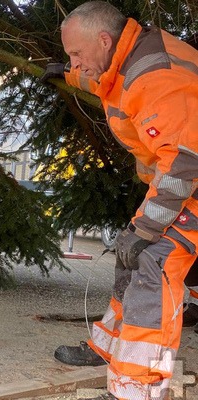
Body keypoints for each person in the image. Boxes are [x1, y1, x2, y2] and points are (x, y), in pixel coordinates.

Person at [41, 2, 198, 399]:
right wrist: (70, 74)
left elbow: (184, 160)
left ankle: (137, 387)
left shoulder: (156, 75)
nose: (73, 61)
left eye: (76, 54)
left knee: (153, 262)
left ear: (104, 40)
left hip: (189, 177)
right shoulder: (124, 59)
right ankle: (109, 346)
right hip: (182, 179)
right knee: (130, 253)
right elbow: (104, 80)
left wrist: (147, 229)